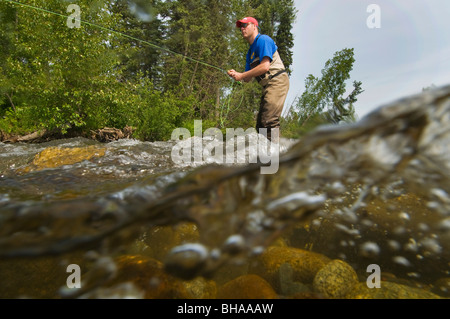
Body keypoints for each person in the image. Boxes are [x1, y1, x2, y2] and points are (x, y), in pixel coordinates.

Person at [228, 17, 290, 142]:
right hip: (268, 85)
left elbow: (265, 66)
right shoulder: (250, 52)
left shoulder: (263, 40)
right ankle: (267, 156)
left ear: (255, 26)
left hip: (277, 80)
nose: (242, 28)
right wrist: (236, 75)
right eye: (241, 26)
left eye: (245, 25)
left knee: (269, 120)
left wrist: (242, 75)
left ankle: (277, 157)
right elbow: (246, 78)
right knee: (261, 125)